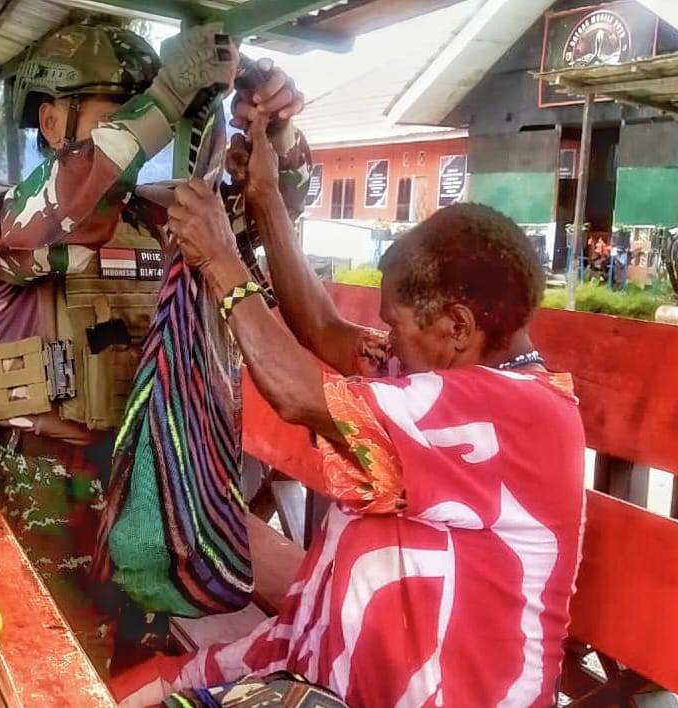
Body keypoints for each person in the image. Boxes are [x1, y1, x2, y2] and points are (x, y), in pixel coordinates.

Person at [113, 106, 586, 705]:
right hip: (334, 676)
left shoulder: (522, 414)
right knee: (137, 690)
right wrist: (264, 199)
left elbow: (297, 395)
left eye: (399, 327)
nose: (387, 343)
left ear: (457, 326)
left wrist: (220, 262)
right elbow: (322, 328)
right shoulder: (447, 374)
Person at [0, 21, 310, 676]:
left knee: (129, 657)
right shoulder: (5, 216)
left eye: (151, 106)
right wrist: (170, 92)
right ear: (53, 120)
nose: (150, 122)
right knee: (50, 665)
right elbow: (61, 208)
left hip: (146, 486)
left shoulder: (157, 217)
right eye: (123, 108)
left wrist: (272, 128)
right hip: (47, 492)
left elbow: (272, 205)